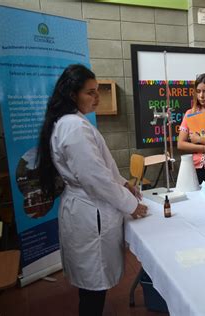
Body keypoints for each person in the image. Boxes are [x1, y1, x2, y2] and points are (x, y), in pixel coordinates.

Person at [36, 64, 148, 316]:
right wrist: (132, 206)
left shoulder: (74, 122)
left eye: (97, 91)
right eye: (90, 92)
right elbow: (95, 179)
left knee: (91, 285)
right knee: (92, 289)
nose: (97, 98)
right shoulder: (73, 127)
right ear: (72, 94)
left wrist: (124, 183)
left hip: (86, 207)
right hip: (89, 212)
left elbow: (101, 166)